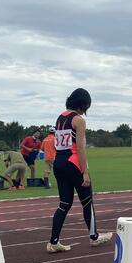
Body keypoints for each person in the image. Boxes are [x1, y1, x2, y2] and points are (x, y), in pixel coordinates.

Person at [47, 88, 112, 253]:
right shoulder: (79, 120)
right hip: (73, 163)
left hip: (59, 162)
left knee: (64, 203)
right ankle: (94, 237)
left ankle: (53, 241)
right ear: (83, 104)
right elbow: (80, 148)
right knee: (87, 201)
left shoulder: (60, 117)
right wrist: (85, 172)